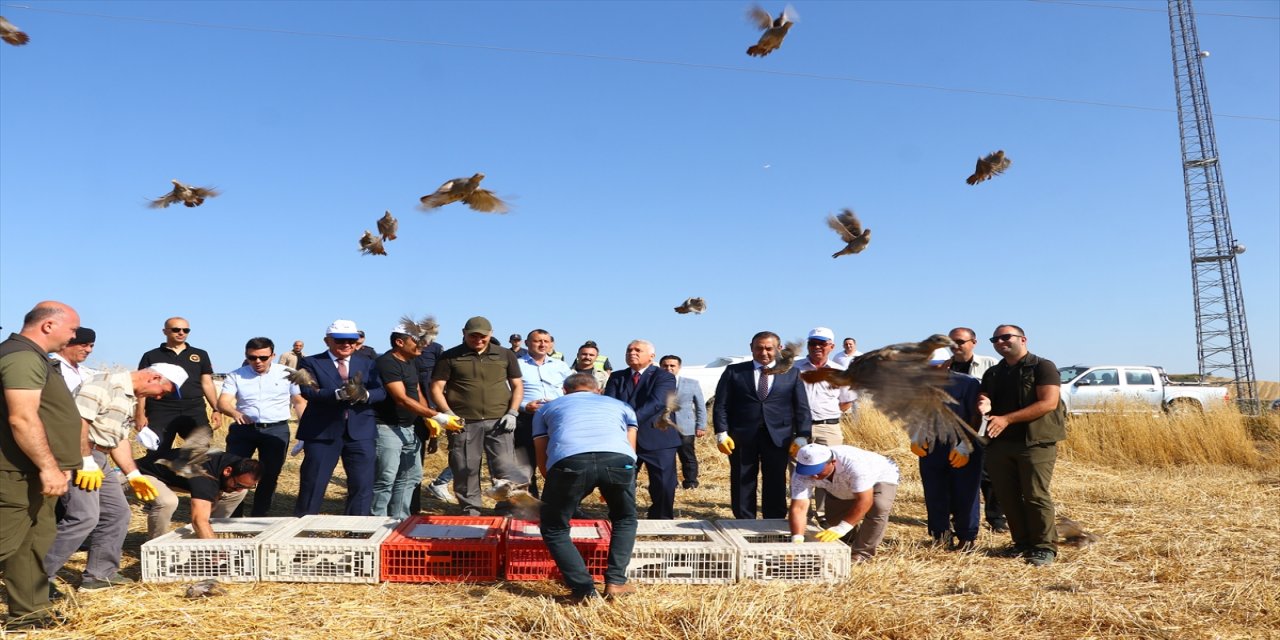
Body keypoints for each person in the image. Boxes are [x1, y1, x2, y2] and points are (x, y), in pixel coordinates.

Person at [45, 366, 180, 596]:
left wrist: (133, 474)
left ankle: (100, 574)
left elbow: (118, 440)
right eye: (162, 391)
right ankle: (36, 578)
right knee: (84, 517)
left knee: (118, 513)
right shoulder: (103, 383)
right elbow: (78, 423)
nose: (158, 397)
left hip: (100, 457)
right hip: (77, 453)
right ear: (154, 377)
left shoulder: (129, 398)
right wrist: (85, 460)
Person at [0, 301, 81, 630]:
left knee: (32, 545)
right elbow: (21, 418)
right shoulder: (20, 356)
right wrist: (48, 466)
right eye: (72, 329)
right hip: (15, 472)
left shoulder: (35, 358)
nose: (74, 337)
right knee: (7, 541)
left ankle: (28, 615)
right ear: (48, 325)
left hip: (35, 473)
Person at [534, 373, 638, 603]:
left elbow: (542, 450)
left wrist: (553, 482)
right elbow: (631, 448)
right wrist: (617, 479)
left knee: (554, 527)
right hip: (619, 460)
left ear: (564, 391)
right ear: (598, 390)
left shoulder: (546, 408)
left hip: (569, 462)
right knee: (624, 518)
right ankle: (616, 582)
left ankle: (583, 591)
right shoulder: (621, 405)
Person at [977, 324, 1067, 567]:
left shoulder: (1042, 367)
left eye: (1006, 337)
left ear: (1023, 339)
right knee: (1007, 497)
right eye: (994, 339)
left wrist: (1007, 419)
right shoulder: (994, 373)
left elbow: (1048, 403)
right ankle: (1022, 543)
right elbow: (986, 399)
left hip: (1034, 442)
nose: (1000, 342)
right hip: (999, 443)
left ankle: (1044, 546)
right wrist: (984, 404)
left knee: (1035, 495)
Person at [431, 316, 523, 516]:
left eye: (483, 336)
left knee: (504, 468)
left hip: (499, 421)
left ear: (491, 334)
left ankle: (506, 508)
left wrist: (513, 412)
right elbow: (437, 387)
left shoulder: (505, 355)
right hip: (464, 422)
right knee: (465, 468)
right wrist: (447, 413)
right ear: (463, 333)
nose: (479, 340)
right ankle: (470, 510)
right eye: (474, 336)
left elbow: (517, 385)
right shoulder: (450, 357)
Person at [713, 331, 811, 519]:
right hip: (741, 436)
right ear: (751, 348)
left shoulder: (792, 373)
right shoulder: (734, 371)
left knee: (775, 479)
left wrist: (802, 435)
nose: (764, 352)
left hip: (779, 436)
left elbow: (802, 407)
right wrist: (721, 432)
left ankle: (772, 522)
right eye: (759, 348)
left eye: (769, 348)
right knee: (743, 479)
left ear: (779, 349)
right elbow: (721, 405)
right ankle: (744, 521)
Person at [293, 320, 387, 516]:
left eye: (351, 341)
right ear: (327, 341)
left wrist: (365, 395)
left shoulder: (369, 362)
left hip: (360, 432)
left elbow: (381, 391)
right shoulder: (310, 362)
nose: (346, 345)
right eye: (340, 340)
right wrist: (338, 394)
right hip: (322, 432)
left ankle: (357, 531)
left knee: (362, 485)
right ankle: (303, 529)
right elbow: (308, 391)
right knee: (314, 483)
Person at [216, 337, 307, 517]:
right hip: (243, 430)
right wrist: (236, 413)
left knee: (270, 474)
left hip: (276, 430)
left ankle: (260, 516)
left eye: (263, 358)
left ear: (272, 355)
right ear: (246, 356)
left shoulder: (288, 373)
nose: (257, 361)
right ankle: (234, 517)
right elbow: (223, 402)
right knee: (234, 472)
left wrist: (306, 431)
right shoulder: (236, 375)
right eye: (252, 357)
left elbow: (298, 401)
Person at [372, 325, 455, 519]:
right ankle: (376, 522)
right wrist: (438, 416)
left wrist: (427, 416)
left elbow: (417, 391)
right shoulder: (386, 362)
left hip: (409, 428)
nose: (423, 345)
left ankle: (399, 519)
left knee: (411, 475)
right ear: (399, 342)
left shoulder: (411, 361)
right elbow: (401, 398)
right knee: (386, 477)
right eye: (417, 341)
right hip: (387, 428)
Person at [913, 357, 983, 551]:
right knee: (934, 491)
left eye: (937, 365)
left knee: (965, 492)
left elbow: (975, 416)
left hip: (961, 443)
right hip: (932, 445)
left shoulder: (967, 383)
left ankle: (967, 538)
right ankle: (940, 534)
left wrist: (965, 445)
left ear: (948, 363)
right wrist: (916, 436)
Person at [604, 339, 678, 519]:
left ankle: (661, 519)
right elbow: (610, 403)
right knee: (620, 481)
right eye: (629, 350)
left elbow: (656, 403)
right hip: (623, 439)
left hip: (658, 437)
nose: (632, 353)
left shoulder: (664, 376)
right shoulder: (617, 376)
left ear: (651, 356)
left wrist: (629, 421)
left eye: (638, 350)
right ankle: (622, 517)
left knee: (662, 484)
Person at [789, 443, 899, 562]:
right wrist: (797, 540)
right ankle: (849, 540)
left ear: (833, 462)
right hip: (840, 486)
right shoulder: (801, 474)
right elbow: (799, 508)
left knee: (879, 507)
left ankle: (862, 553)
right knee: (834, 520)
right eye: (808, 471)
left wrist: (842, 528)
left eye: (817, 470)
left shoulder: (855, 465)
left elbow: (865, 500)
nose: (813, 475)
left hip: (880, 476)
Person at [946, 326, 1005, 533]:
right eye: (951, 342)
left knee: (988, 475)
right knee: (958, 474)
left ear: (973, 342)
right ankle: (959, 518)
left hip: (984, 429)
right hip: (956, 430)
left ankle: (996, 518)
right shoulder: (944, 368)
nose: (956, 346)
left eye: (960, 341)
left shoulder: (990, 364)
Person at [794, 327, 857, 518]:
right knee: (799, 470)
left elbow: (846, 402)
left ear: (831, 346)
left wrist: (827, 414)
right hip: (798, 428)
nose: (817, 347)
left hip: (828, 428)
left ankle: (823, 514)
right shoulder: (795, 369)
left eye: (822, 343)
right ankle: (802, 513)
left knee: (827, 471)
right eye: (813, 343)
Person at [135, 317, 220, 455]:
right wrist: (139, 413)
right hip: (161, 409)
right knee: (157, 451)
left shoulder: (200, 355)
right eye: (176, 329)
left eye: (185, 330)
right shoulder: (151, 356)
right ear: (165, 331)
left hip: (193, 408)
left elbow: (207, 383)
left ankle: (194, 477)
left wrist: (216, 409)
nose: (181, 333)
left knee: (200, 451)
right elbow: (142, 388)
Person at [137, 450, 262, 539]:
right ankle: (157, 547)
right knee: (168, 501)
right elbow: (198, 521)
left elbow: (219, 490)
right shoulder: (204, 476)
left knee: (236, 494)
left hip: (177, 478)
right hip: (137, 474)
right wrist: (215, 553)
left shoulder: (238, 465)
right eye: (238, 484)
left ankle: (211, 533)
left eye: (249, 486)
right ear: (227, 471)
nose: (239, 489)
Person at [515, 329, 572, 497]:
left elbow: (572, 389)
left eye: (546, 341)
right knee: (525, 461)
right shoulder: (517, 365)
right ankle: (529, 501)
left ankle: (556, 500)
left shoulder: (560, 366)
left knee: (558, 458)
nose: (542, 345)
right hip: (527, 418)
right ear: (527, 343)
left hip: (556, 419)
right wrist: (525, 406)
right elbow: (506, 391)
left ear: (551, 344)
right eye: (537, 341)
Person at [412, 326, 454, 509]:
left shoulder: (437, 349)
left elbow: (440, 377)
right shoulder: (410, 350)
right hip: (414, 402)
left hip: (433, 403)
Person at [657, 355, 706, 490]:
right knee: (667, 457)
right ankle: (671, 482)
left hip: (685, 426)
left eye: (672, 366)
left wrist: (701, 425)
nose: (669, 368)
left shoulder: (692, 383)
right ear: (660, 367)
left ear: (679, 367)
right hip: (663, 426)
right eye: (665, 366)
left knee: (687, 455)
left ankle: (690, 482)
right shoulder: (655, 383)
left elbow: (700, 405)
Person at [50, 327, 97, 393]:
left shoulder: (88, 373)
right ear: (66, 344)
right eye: (83, 345)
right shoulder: (49, 366)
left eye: (91, 346)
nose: (89, 350)